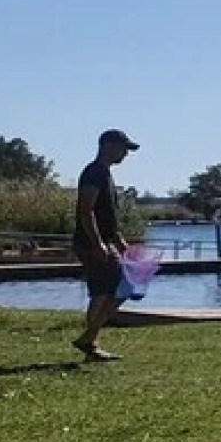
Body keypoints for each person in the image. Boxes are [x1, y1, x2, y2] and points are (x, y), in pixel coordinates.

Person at [72, 129, 139, 362]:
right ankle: (89, 341)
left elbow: (106, 215)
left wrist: (118, 239)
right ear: (108, 146)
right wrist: (98, 242)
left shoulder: (105, 174)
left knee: (110, 291)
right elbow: (86, 210)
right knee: (111, 290)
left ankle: (90, 340)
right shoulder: (94, 173)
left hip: (105, 242)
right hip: (91, 243)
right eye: (123, 149)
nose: (125, 155)